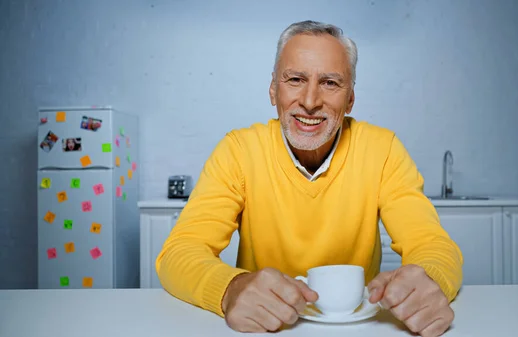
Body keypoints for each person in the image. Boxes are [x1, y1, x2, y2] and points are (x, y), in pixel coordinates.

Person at [156, 20, 463, 336]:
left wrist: (428, 281)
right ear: (274, 90)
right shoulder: (239, 150)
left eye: (330, 83)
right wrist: (230, 288)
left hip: (354, 329)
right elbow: (180, 253)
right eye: (295, 79)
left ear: (350, 99)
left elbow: (432, 244)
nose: (310, 101)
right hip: (263, 329)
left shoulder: (382, 150)